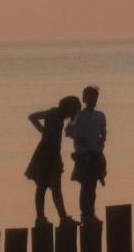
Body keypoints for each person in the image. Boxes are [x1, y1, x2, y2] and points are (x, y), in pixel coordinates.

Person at [25, 95, 82, 226]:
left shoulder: (56, 114)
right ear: (69, 108)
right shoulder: (55, 113)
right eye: (74, 111)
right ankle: (49, 218)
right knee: (47, 187)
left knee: (46, 187)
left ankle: (48, 218)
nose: (74, 114)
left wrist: (43, 131)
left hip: (50, 152)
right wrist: (43, 131)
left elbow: (32, 117)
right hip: (47, 152)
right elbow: (32, 117)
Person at [66, 85, 107, 222]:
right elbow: (68, 131)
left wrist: (102, 141)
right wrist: (78, 138)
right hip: (83, 154)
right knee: (86, 184)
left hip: (95, 152)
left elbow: (103, 132)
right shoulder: (78, 115)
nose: (92, 100)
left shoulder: (100, 115)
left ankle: (91, 213)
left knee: (93, 185)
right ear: (84, 99)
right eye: (89, 97)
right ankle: (85, 214)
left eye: (94, 97)